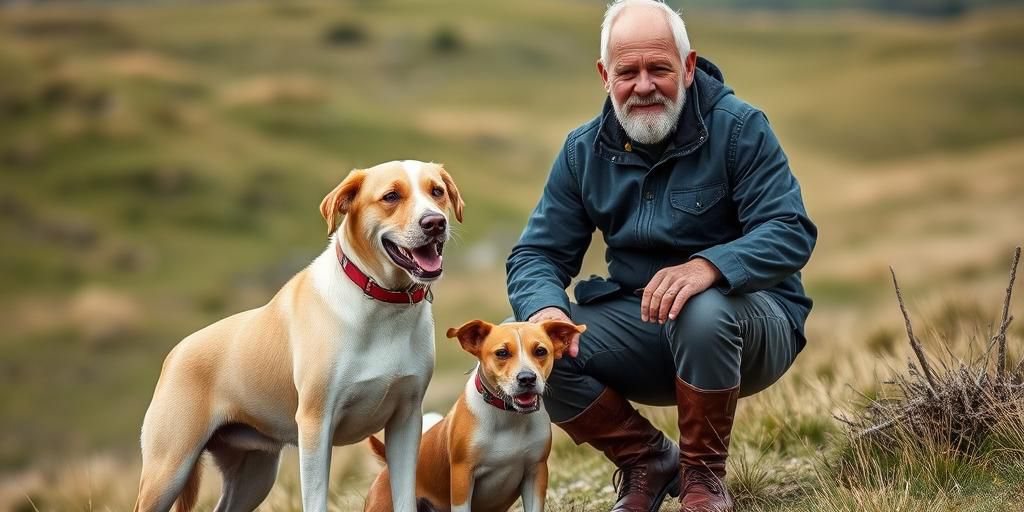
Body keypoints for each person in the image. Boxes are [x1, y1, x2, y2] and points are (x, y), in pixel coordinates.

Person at [505, 1, 817, 511]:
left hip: (752, 327)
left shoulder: (741, 128)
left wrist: (710, 267)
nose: (644, 85)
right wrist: (545, 312)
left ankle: (703, 481)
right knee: (529, 346)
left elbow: (790, 230)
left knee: (700, 307)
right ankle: (647, 460)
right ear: (606, 76)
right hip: (644, 328)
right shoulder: (582, 150)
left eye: (660, 69)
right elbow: (535, 254)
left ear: (688, 68)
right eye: (628, 72)